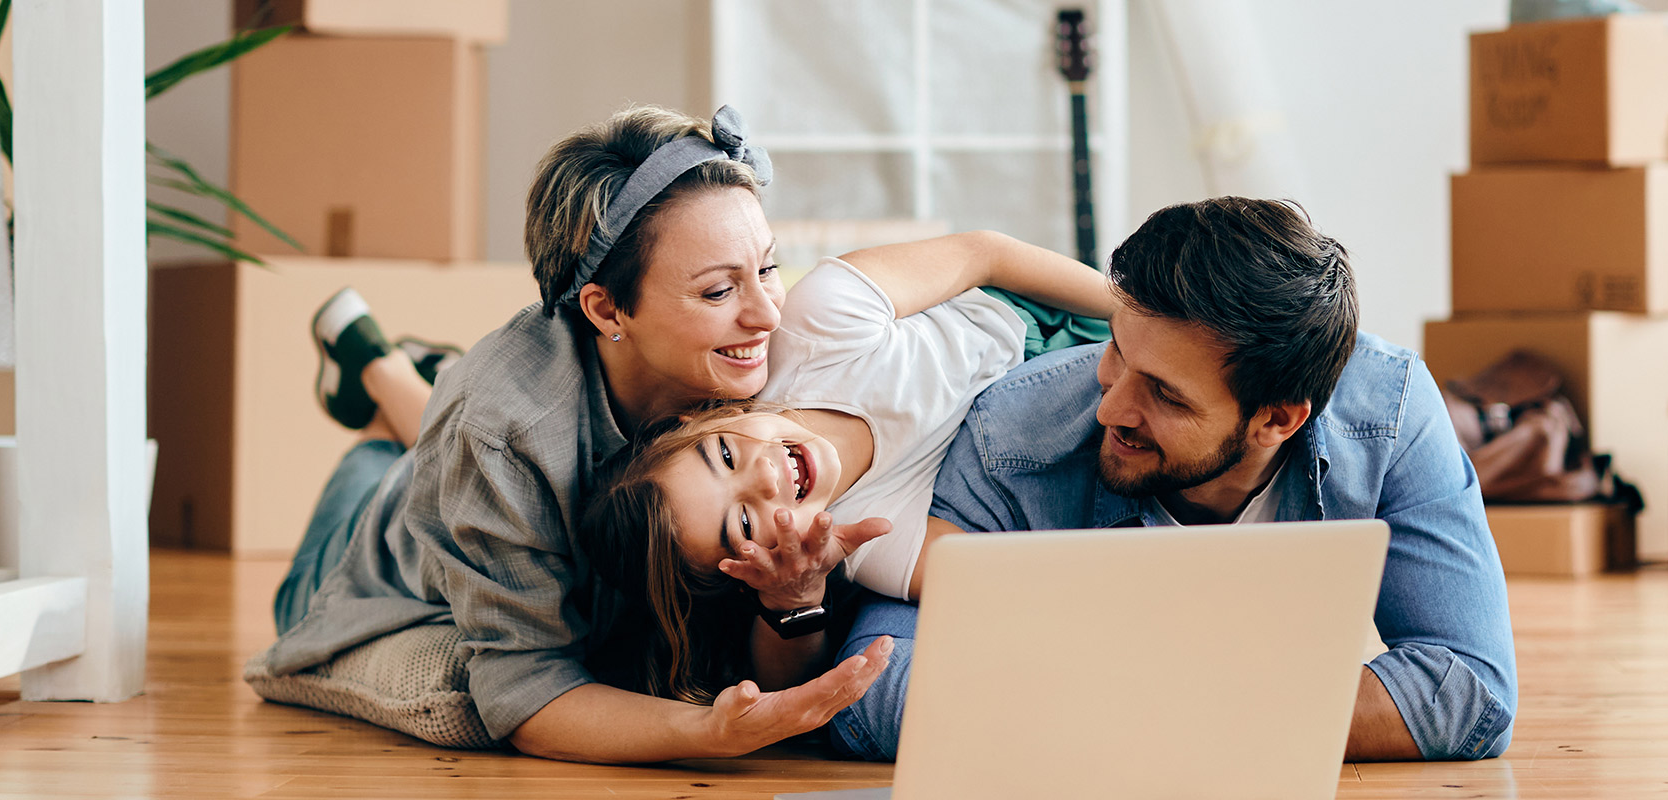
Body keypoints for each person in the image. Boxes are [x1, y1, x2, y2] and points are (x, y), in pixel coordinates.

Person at [253, 105, 895, 764]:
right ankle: (377, 366)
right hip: (388, 544)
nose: (766, 314)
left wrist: (794, 603)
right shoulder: (500, 428)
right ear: (607, 309)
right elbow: (526, 694)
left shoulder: (759, 353)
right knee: (382, 473)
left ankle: (403, 374)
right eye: (715, 293)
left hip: (486, 444)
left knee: (448, 434)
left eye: (766, 268)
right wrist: (711, 733)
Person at [826, 197, 1520, 763]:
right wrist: (1222, 710)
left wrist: (1116, 707)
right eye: (1116, 353)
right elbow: (873, 694)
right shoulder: (1013, 434)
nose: (1112, 408)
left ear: (1276, 419)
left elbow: (1471, 694)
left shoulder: (1389, 414)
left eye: (1165, 394)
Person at [570, 229, 1118, 705]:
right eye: (743, 523)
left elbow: (987, 255)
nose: (764, 479)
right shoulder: (868, 541)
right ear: (754, 571)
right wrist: (797, 597)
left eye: (727, 456)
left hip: (1047, 314)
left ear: (705, 418)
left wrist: (1133, 311)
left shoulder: (816, 324)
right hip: (1065, 424)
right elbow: (1013, 575)